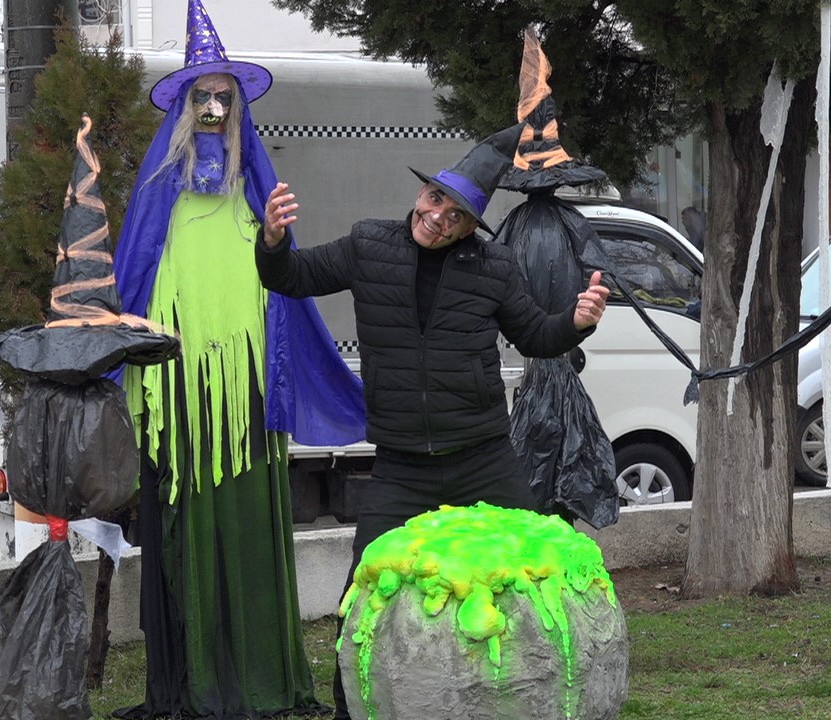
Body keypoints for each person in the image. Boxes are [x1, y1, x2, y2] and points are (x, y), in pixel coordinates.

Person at [254, 123, 610, 717]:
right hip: (401, 468)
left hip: (484, 457)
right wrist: (272, 241)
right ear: (422, 195)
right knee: (364, 592)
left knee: (527, 575)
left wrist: (576, 322)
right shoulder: (368, 245)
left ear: (472, 227)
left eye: (458, 214)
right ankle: (354, 707)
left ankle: (536, 697)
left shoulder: (493, 268)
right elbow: (289, 278)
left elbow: (536, 336)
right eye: (436, 200)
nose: (440, 217)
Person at [111, 2, 365, 717]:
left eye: (226, 96)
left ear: (240, 108)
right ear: (186, 107)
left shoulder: (258, 191)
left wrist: (280, 235)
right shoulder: (158, 190)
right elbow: (132, 275)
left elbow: (283, 279)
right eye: (204, 95)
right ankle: (195, 680)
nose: (215, 106)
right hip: (183, 385)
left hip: (250, 392)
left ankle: (260, 675)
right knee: (186, 523)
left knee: (251, 521)